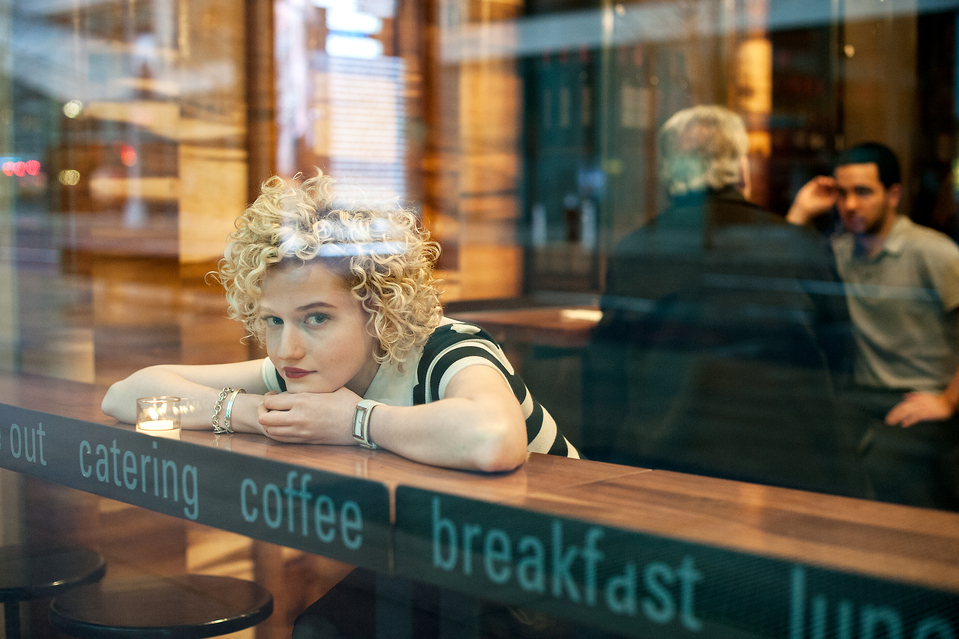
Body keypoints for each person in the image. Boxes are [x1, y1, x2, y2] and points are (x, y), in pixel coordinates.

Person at [102, 171, 579, 469]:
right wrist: (249, 414)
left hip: (562, 564)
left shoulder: (448, 350)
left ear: (376, 309)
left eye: (315, 319)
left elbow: (493, 440)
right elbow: (126, 397)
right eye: (272, 321)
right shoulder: (305, 374)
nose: (287, 348)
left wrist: (355, 421)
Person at [582, 105, 857, 495]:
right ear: (741, 168)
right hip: (792, 462)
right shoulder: (798, 244)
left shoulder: (636, 251)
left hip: (667, 461)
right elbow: (842, 352)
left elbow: (606, 372)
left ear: (667, 172)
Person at [788, 142, 959, 509]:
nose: (850, 205)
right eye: (842, 193)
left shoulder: (933, 252)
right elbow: (776, 270)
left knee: (886, 473)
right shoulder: (838, 252)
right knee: (800, 455)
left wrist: (947, 401)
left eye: (863, 192)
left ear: (893, 194)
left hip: (921, 397)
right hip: (861, 395)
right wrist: (801, 211)